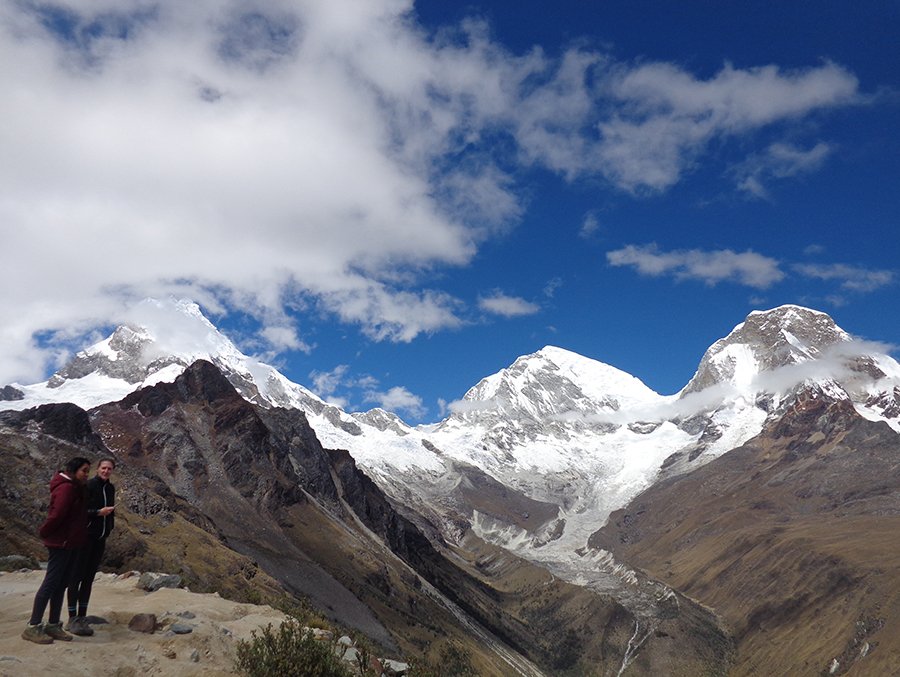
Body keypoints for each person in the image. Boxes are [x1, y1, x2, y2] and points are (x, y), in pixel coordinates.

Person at [22, 457, 90, 644]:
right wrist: (45, 532)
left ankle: (53, 624)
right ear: (73, 470)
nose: (86, 475)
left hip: (70, 543)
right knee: (51, 583)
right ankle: (33, 626)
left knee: (61, 584)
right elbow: (57, 515)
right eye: (84, 471)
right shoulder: (67, 489)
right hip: (61, 543)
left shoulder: (75, 487)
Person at [66, 458, 116, 636]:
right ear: (98, 469)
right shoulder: (89, 486)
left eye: (109, 469)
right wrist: (97, 513)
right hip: (85, 538)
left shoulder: (110, 488)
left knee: (88, 578)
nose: (106, 471)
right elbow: (80, 512)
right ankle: (72, 618)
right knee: (76, 577)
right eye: (103, 468)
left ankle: (82, 615)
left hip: (100, 538)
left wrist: (109, 525)